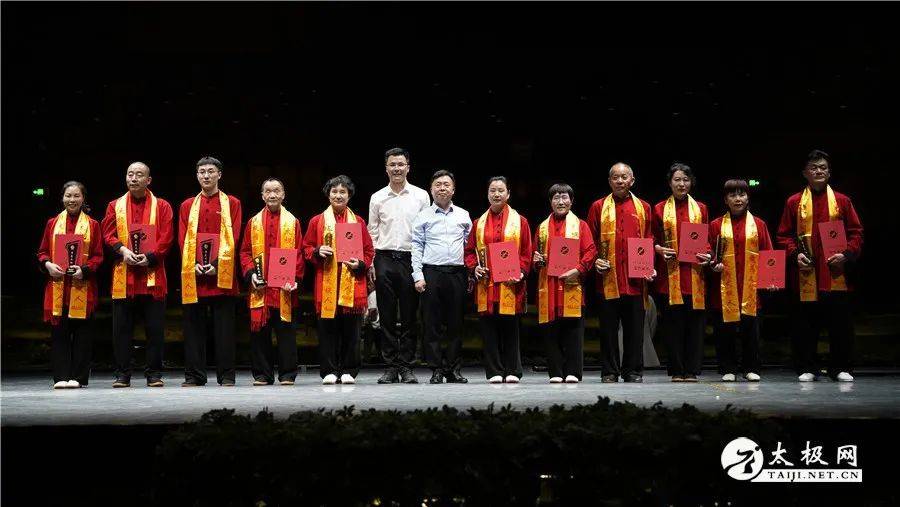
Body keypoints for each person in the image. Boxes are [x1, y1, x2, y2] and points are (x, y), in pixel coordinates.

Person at [775, 150, 864, 382]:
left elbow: (856, 232)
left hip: (836, 273)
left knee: (840, 324)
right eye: (813, 167)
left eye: (823, 167)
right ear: (805, 173)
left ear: (829, 172)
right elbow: (783, 235)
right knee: (805, 323)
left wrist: (846, 254)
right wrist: (795, 255)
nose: (818, 171)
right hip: (806, 272)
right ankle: (807, 367)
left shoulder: (842, 201)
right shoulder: (794, 202)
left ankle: (841, 367)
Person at [101, 161, 174, 388]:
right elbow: (108, 234)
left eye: (139, 175)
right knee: (121, 330)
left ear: (148, 180)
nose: (134, 178)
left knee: (155, 329)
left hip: (153, 275)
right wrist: (123, 251)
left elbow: (167, 237)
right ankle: (122, 374)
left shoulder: (162, 206)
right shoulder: (115, 205)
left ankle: (154, 374)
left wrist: (150, 257)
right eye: (130, 174)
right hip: (125, 275)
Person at [586, 163, 655, 383]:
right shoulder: (598, 206)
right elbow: (590, 241)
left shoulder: (644, 207)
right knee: (607, 330)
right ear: (609, 181)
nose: (620, 181)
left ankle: (632, 371)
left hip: (635, 280)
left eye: (624, 177)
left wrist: (649, 266)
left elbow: (649, 239)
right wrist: (595, 260)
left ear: (632, 180)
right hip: (608, 278)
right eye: (615, 177)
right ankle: (610, 371)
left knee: (635, 330)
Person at [303, 175, 375, 385]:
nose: (338, 195)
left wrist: (360, 264)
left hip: (352, 282)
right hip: (326, 281)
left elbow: (369, 251)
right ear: (328, 195)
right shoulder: (317, 221)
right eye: (334, 191)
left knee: (352, 329)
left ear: (349, 195)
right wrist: (317, 251)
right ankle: (329, 370)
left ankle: (349, 370)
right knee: (327, 328)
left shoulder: (358, 221)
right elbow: (306, 248)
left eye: (343, 192)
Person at [178, 156, 242, 387]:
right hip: (194, 275)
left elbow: (234, 236)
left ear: (219, 174)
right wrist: (194, 263)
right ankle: (194, 375)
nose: (206, 175)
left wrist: (216, 263)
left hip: (222, 273)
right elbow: (182, 238)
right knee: (193, 329)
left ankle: (227, 375)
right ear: (197, 175)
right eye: (202, 171)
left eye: (210, 171)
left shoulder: (232, 203)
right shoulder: (187, 205)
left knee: (224, 330)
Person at [368, 147, 430, 384]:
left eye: (400, 164)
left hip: (410, 259)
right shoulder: (377, 197)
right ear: (386, 168)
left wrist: (421, 266)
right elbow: (372, 232)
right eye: (392, 164)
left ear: (408, 167)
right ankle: (390, 366)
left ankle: (406, 365)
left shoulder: (421, 196)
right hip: (384, 258)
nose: (396, 168)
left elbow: (426, 232)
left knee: (409, 315)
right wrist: (372, 262)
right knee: (386, 315)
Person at [464, 176, 532, 383]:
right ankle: (494, 370)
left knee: (511, 328)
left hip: (510, 284)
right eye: (492, 190)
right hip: (487, 284)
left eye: (501, 190)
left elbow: (526, 252)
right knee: (489, 329)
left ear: (508, 194)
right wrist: (474, 268)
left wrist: (521, 272)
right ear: (487, 194)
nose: (496, 194)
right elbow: (469, 252)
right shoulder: (478, 223)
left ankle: (513, 370)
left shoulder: (520, 222)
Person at [37, 181, 104, 388]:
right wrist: (48, 264)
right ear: (62, 198)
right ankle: (61, 377)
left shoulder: (93, 224)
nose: (72, 200)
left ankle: (78, 377)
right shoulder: (52, 223)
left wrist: (85, 269)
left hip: (82, 286)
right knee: (59, 334)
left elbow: (98, 255)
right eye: (68, 196)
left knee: (83, 335)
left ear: (83, 199)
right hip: (58, 286)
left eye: (76, 196)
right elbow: (42, 252)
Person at [240, 178, 304, 386]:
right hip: (260, 287)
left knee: (286, 333)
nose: (272, 194)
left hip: (284, 288)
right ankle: (262, 374)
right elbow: (245, 252)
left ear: (283, 194)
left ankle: (287, 374)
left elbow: (299, 253)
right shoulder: (253, 222)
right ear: (262, 196)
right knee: (260, 334)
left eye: (276, 190)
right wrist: (251, 274)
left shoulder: (292, 222)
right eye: (268, 191)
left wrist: (295, 278)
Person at [651, 163, 711, 382]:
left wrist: (707, 254)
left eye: (685, 180)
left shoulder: (701, 208)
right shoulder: (658, 209)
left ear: (691, 182)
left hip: (695, 275)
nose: (681, 184)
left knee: (695, 325)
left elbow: (707, 240)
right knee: (672, 325)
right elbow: (651, 237)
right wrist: (658, 249)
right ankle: (676, 370)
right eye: (677, 180)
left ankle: (692, 370)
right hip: (670, 276)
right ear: (670, 183)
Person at [709, 179, 773, 382]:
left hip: (750, 285)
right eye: (732, 195)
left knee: (751, 328)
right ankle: (728, 367)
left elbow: (768, 254)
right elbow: (709, 252)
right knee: (724, 329)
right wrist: (713, 264)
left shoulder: (759, 224)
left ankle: (751, 367)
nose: (738, 199)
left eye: (742, 194)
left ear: (748, 198)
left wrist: (772, 278)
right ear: (725, 200)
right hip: (724, 285)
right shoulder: (715, 225)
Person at [411, 170, 472, 384]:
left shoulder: (463, 215)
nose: (442, 188)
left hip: (457, 273)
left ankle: (453, 369)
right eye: (438, 184)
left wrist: (470, 273)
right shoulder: (423, 216)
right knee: (432, 323)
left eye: (446, 184)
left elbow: (469, 247)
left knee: (456, 323)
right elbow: (416, 247)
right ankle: (436, 369)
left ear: (453, 189)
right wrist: (418, 276)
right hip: (431, 273)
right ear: (431, 189)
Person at [532, 183, 596, 383]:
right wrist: (537, 260)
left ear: (572, 201)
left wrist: (579, 270)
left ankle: (573, 372)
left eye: (564, 197)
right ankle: (556, 372)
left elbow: (591, 251)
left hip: (572, 284)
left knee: (573, 331)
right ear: (550, 202)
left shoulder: (581, 226)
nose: (560, 201)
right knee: (551, 330)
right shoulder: (542, 228)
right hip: (549, 286)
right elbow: (536, 256)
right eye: (556, 198)